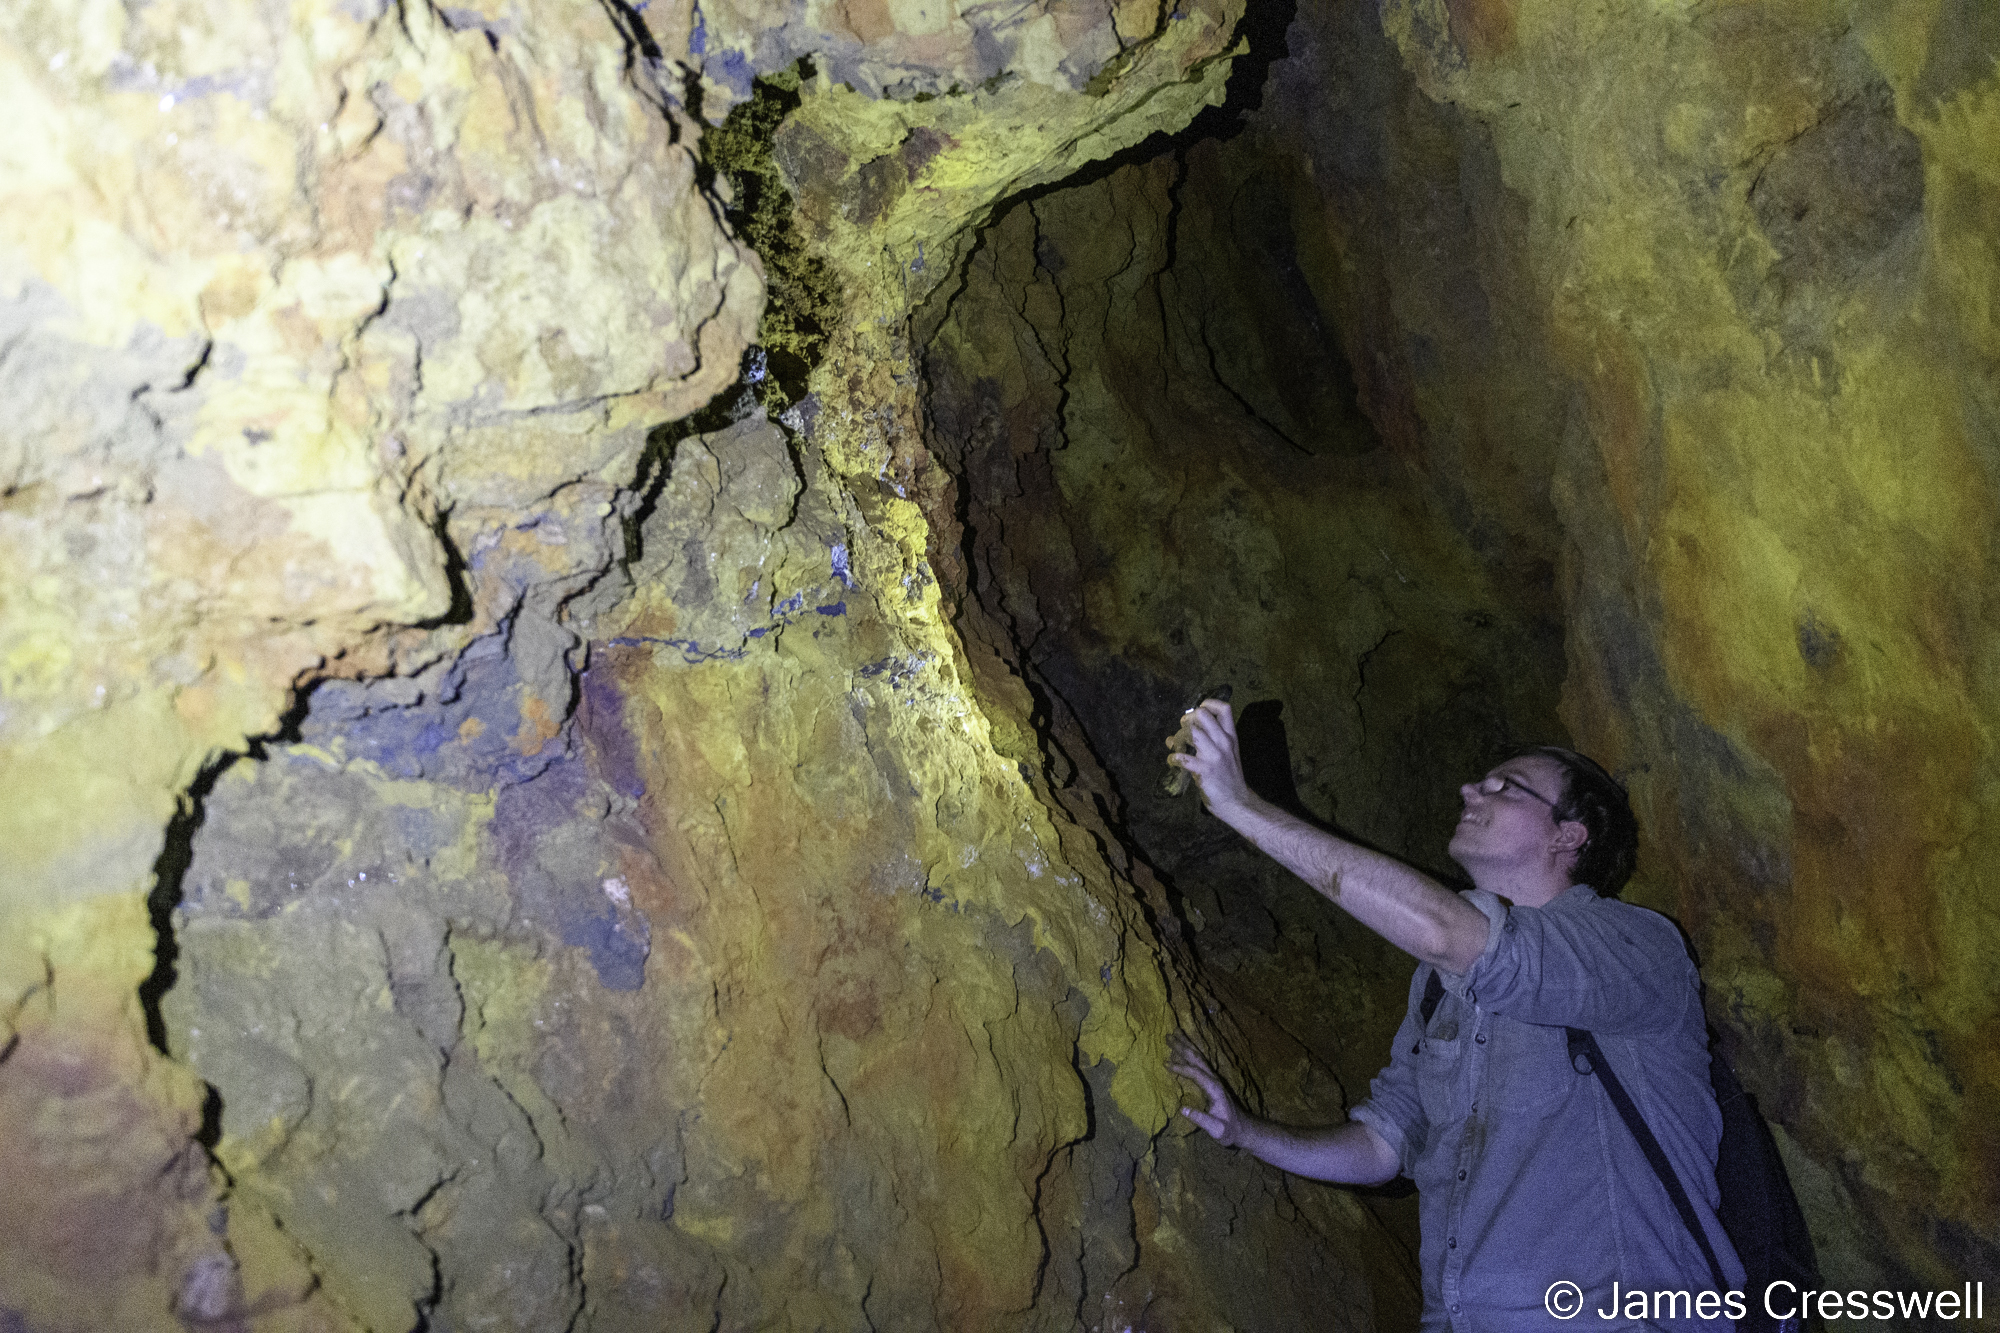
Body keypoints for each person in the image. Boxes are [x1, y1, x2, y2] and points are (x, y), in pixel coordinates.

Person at [1165, 700, 1744, 1331]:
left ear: (1569, 834)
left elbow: (1456, 936)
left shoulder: (1637, 947)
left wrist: (1241, 805)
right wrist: (1247, 1132)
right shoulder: (1439, 989)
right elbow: (1387, 1143)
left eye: (1507, 786)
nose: (1472, 787)